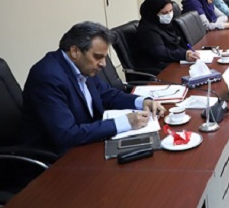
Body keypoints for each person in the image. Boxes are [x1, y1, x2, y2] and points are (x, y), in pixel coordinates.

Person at [22, 21, 166, 155]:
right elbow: (66, 135)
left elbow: (108, 94)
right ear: (75, 51)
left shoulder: (82, 66)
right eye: (98, 57)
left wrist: (142, 102)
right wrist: (126, 122)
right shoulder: (48, 77)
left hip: (89, 141)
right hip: (62, 157)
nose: (103, 64)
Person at [136, 0, 200, 73]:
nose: (169, 15)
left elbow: (178, 42)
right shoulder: (147, 30)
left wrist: (188, 52)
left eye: (171, 11)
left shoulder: (167, 24)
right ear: (154, 13)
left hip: (173, 62)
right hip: (158, 68)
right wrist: (184, 55)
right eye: (164, 13)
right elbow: (160, 53)